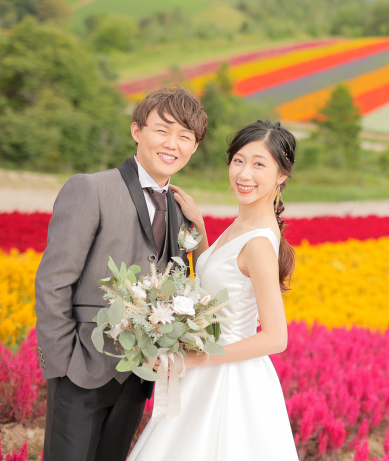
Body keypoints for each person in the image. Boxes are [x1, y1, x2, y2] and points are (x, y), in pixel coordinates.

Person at [35, 86, 208, 461]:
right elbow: (53, 280)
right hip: (80, 368)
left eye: (185, 136)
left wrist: (200, 229)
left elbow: (182, 285)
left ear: (194, 147)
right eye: (162, 130)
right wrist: (62, 365)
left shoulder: (181, 211)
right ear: (136, 131)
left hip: (137, 375)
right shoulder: (91, 189)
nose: (172, 143)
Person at [128, 119, 299, 460]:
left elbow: (276, 338)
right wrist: (202, 230)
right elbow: (221, 285)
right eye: (238, 160)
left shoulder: (260, 243)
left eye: (259, 164)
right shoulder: (243, 224)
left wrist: (194, 358)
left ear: (281, 175)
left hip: (229, 379)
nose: (244, 174)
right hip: (207, 368)